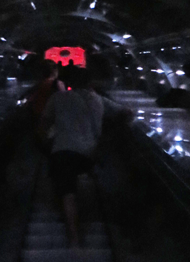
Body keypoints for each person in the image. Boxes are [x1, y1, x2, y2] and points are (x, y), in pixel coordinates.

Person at [39, 66, 130, 246]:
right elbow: (127, 113)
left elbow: (43, 125)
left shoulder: (57, 98)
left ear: (68, 81)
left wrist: (45, 145)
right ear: (89, 81)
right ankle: (116, 224)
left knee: (67, 192)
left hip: (63, 152)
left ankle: (74, 237)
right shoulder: (98, 99)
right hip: (89, 152)